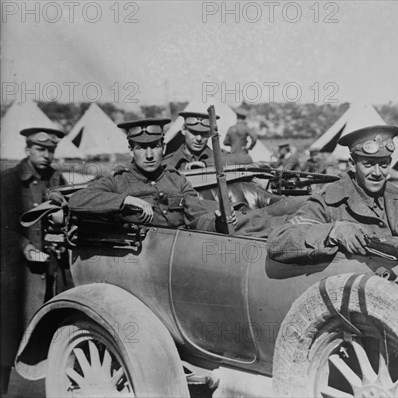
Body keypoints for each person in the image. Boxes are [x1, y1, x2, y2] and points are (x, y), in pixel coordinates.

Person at [267, 125, 398, 264]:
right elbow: (277, 243)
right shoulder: (329, 200)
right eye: (368, 164)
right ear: (352, 165)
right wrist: (332, 231)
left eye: (383, 165)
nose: (377, 173)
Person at [1, 127, 69, 393]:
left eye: (51, 150)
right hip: (16, 277)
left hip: (51, 271)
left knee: (49, 339)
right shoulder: (8, 181)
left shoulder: (57, 179)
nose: (46, 155)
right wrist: (25, 247)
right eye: (41, 149)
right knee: (7, 341)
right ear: (27, 149)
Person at [68, 118, 228, 231]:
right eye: (141, 148)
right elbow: (76, 200)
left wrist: (218, 222)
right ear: (131, 150)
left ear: (163, 148)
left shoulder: (177, 180)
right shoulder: (118, 181)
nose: (150, 155)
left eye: (155, 146)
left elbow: (196, 215)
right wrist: (125, 200)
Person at [163, 112, 251, 170]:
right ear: (183, 130)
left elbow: (246, 159)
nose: (199, 139)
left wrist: (207, 164)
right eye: (193, 132)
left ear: (210, 133)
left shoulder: (217, 155)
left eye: (204, 133)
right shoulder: (168, 162)